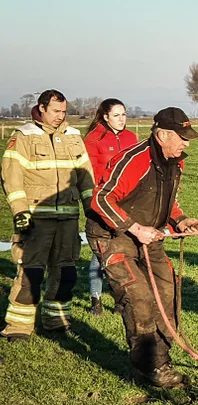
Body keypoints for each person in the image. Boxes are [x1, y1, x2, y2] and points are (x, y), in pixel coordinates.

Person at [86, 107, 198, 388]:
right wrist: (136, 229)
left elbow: (166, 202)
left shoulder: (176, 163)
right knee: (138, 296)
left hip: (150, 238)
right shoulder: (135, 160)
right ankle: (149, 365)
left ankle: (161, 360)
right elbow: (100, 200)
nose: (186, 143)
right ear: (162, 134)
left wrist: (180, 219)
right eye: (182, 137)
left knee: (166, 292)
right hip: (114, 236)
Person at [1, 89, 95, 342]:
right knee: (31, 273)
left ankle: (56, 321)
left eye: (64, 111)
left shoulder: (74, 136)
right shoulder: (23, 136)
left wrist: (91, 208)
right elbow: (11, 176)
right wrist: (20, 212)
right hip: (36, 219)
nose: (60, 116)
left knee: (66, 274)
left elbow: (85, 175)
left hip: (68, 218)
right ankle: (18, 327)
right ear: (41, 108)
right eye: (56, 111)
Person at [84, 98, 138, 315]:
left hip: (126, 203)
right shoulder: (93, 139)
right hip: (102, 203)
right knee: (100, 254)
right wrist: (97, 201)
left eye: (124, 114)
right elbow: (89, 173)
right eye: (116, 115)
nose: (121, 119)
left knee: (123, 251)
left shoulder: (131, 137)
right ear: (105, 117)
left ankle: (121, 299)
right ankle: (96, 299)